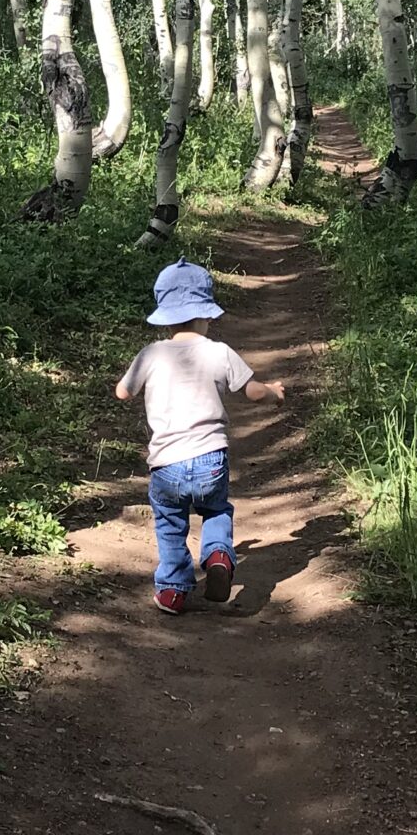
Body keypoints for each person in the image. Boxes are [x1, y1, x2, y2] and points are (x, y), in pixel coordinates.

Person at [113, 260, 288, 615]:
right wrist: (273, 391)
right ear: (206, 314)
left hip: (166, 463)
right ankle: (219, 555)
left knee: (170, 521)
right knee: (216, 509)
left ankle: (174, 590)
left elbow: (122, 393)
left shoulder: (152, 353)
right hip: (211, 457)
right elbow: (253, 393)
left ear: (165, 316)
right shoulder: (219, 351)